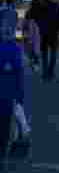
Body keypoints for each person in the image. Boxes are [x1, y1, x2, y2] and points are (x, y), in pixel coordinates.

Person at [0, 25, 24, 163]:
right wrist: (20, 97)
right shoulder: (14, 49)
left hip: (6, 96)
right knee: (4, 127)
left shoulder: (13, 49)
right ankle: (2, 153)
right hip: (6, 97)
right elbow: (18, 75)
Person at [22, 0, 41, 74]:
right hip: (37, 33)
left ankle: (32, 62)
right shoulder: (40, 12)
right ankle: (36, 64)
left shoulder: (28, 12)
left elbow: (25, 23)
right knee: (36, 50)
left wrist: (24, 33)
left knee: (29, 50)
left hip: (30, 33)